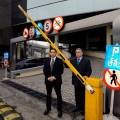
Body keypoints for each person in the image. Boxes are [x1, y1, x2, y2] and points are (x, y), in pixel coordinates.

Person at [70, 48, 92, 116]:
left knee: (83, 95)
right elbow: (67, 66)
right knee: (77, 95)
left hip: (83, 81)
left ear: (82, 53)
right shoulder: (73, 60)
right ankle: (78, 107)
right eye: (76, 52)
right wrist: (65, 60)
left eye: (79, 52)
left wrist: (87, 75)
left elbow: (89, 70)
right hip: (75, 81)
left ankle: (83, 108)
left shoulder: (86, 61)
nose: (77, 53)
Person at [43, 48, 64, 118]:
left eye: (54, 52)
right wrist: (48, 78)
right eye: (51, 52)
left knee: (58, 95)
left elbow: (61, 71)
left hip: (57, 81)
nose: (52, 53)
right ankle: (48, 108)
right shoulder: (46, 61)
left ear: (56, 53)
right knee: (48, 95)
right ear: (50, 53)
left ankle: (59, 110)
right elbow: (44, 70)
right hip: (48, 81)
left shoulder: (60, 61)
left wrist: (54, 77)